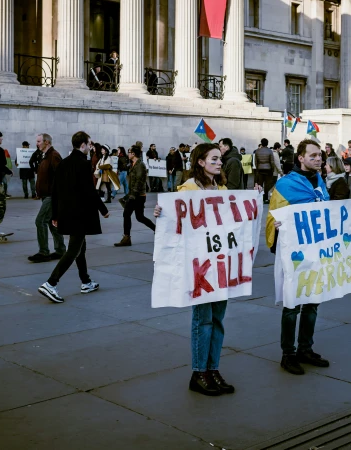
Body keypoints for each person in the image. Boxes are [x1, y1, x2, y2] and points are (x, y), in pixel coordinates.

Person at [153, 143, 236, 396]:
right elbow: (175, 218)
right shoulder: (188, 189)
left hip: (219, 264)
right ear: (200, 162)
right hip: (198, 266)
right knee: (203, 319)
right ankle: (199, 372)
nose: (219, 162)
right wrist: (161, 212)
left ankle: (213, 369)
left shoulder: (222, 188)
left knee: (218, 319)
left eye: (220, 159)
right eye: (214, 159)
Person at [267, 139, 341, 376]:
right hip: (295, 253)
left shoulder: (319, 181)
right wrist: (276, 226)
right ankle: (287, 354)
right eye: (313, 156)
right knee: (292, 304)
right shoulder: (286, 184)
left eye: (320, 156)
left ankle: (305, 349)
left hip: (316, 250)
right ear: (300, 158)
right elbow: (272, 216)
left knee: (313, 301)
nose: (319, 159)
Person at [38, 132, 110, 304]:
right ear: (83, 145)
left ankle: (86, 281)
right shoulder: (83, 164)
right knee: (73, 250)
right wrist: (103, 209)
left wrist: (55, 214)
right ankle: (51, 283)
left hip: (66, 213)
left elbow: (54, 190)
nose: (91, 147)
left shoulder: (63, 163)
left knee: (80, 248)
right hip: (79, 214)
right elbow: (89, 190)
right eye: (90, 144)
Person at [29, 134, 66, 263]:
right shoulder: (44, 156)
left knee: (40, 221)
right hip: (47, 195)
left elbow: (61, 176)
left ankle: (44, 252)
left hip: (51, 196)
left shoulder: (53, 155)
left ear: (46, 142)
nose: (37, 144)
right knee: (51, 223)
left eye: (39, 141)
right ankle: (61, 250)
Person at [114, 145, 156, 246]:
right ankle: (157, 230)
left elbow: (139, 181)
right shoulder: (133, 164)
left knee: (126, 214)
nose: (128, 154)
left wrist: (132, 196)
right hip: (136, 195)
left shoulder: (140, 165)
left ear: (133, 154)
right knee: (139, 217)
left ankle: (126, 238)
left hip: (137, 195)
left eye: (129, 152)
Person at [254, 138, 275, 203]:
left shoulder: (257, 151)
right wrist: (272, 169)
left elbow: (256, 162)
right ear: (267, 143)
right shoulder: (270, 151)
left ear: (261, 143)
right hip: (268, 170)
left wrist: (257, 168)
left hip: (260, 170)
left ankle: (260, 198)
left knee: (260, 184)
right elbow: (272, 162)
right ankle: (266, 198)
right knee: (267, 185)